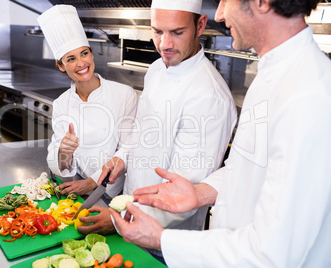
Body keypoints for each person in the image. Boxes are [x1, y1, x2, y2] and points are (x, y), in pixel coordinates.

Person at [110, 0, 331, 266]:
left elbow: (273, 252)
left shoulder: (309, 94)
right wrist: (201, 192)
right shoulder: (274, 74)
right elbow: (247, 167)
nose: (221, 13)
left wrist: (162, 239)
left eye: (226, 0)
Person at [98, 0, 237, 241]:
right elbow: (143, 130)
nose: (165, 44)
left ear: (200, 25)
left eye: (177, 32)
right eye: (157, 31)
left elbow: (183, 191)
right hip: (130, 214)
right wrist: (122, 157)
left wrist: (117, 219)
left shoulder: (209, 96)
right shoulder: (156, 69)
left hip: (164, 237)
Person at [38, 5, 138, 229]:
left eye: (84, 53)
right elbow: (60, 164)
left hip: (114, 197)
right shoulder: (62, 103)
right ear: (60, 65)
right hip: (77, 192)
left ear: (92, 53)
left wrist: (92, 183)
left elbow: (129, 148)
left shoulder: (123, 95)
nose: (81, 63)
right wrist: (64, 152)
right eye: (71, 58)